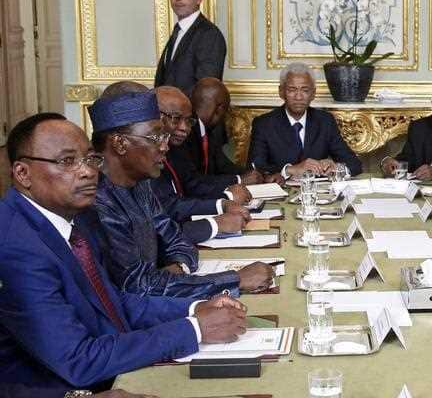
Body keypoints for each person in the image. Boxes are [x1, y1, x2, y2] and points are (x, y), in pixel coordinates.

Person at [0, 113, 249, 397]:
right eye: (67, 161)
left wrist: (195, 309)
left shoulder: (73, 219)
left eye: (91, 159)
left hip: (113, 365)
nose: (87, 171)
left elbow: (112, 303)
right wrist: (192, 330)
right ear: (22, 173)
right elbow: (79, 360)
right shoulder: (16, 247)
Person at [85, 89, 274, 298]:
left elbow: (175, 239)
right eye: (155, 137)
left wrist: (178, 270)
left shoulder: (140, 185)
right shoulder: (97, 204)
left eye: (164, 136)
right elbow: (138, 287)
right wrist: (234, 279)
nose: (165, 146)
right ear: (120, 143)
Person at [153, 86, 254, 244]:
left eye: (188, 121)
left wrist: (224, 202)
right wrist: (217, 220)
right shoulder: (142, 161)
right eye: (176, 118)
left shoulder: (171, 146)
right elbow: (171, 207)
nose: (185, 128)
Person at [248, 62, 362, 177]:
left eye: (305, 90)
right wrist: (289, 170)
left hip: (318, 191)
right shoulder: (264, 124)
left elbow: (354, 164)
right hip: (281, 191)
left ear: (313, 93)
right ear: (281, 92)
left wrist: (337, 168)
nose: (298, 97)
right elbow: (255, 167)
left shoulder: (325, 121)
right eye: (292, 90)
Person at [154, 0, 226, 94]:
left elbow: (206, 91)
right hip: (166, 112)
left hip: (190, 113)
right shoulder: (178, 31)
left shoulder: (209, 34)